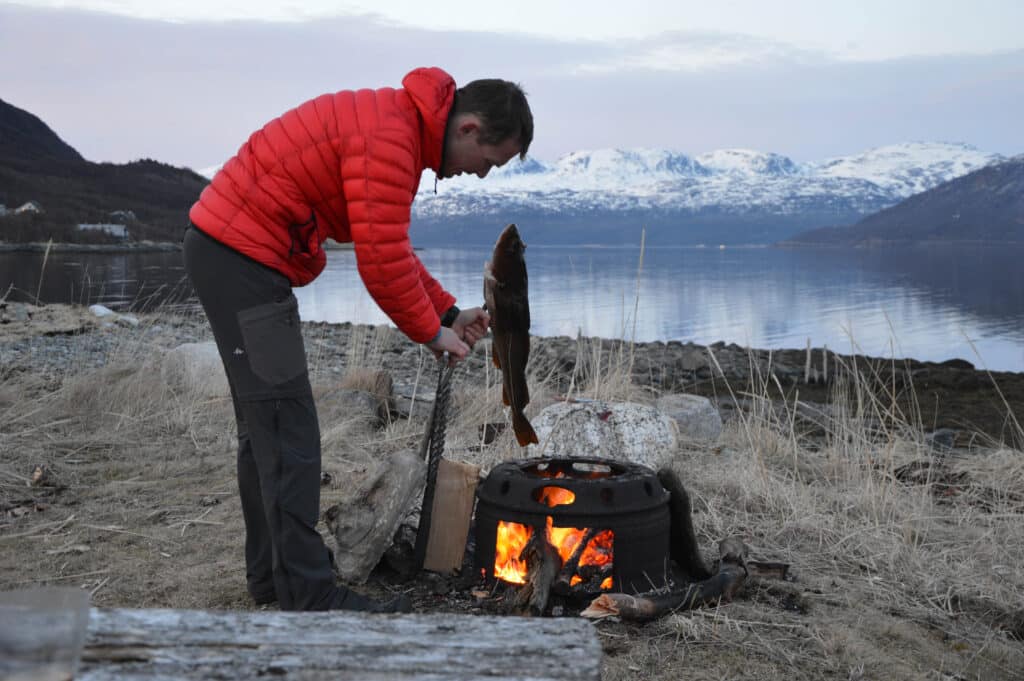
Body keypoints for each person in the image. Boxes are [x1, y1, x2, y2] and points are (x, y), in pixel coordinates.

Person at [182, 67, 533, 612]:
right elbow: (380, 261)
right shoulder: (390, 137)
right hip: (242, 260)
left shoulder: (395, 126)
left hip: (232, 254)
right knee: (288, 430)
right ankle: (308, 594)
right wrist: (431, 332)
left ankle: (276, 578)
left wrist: (445, 310)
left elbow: (389, 242)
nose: (482, 176)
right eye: (489, 162)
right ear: (467, 129)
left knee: (267, 430)